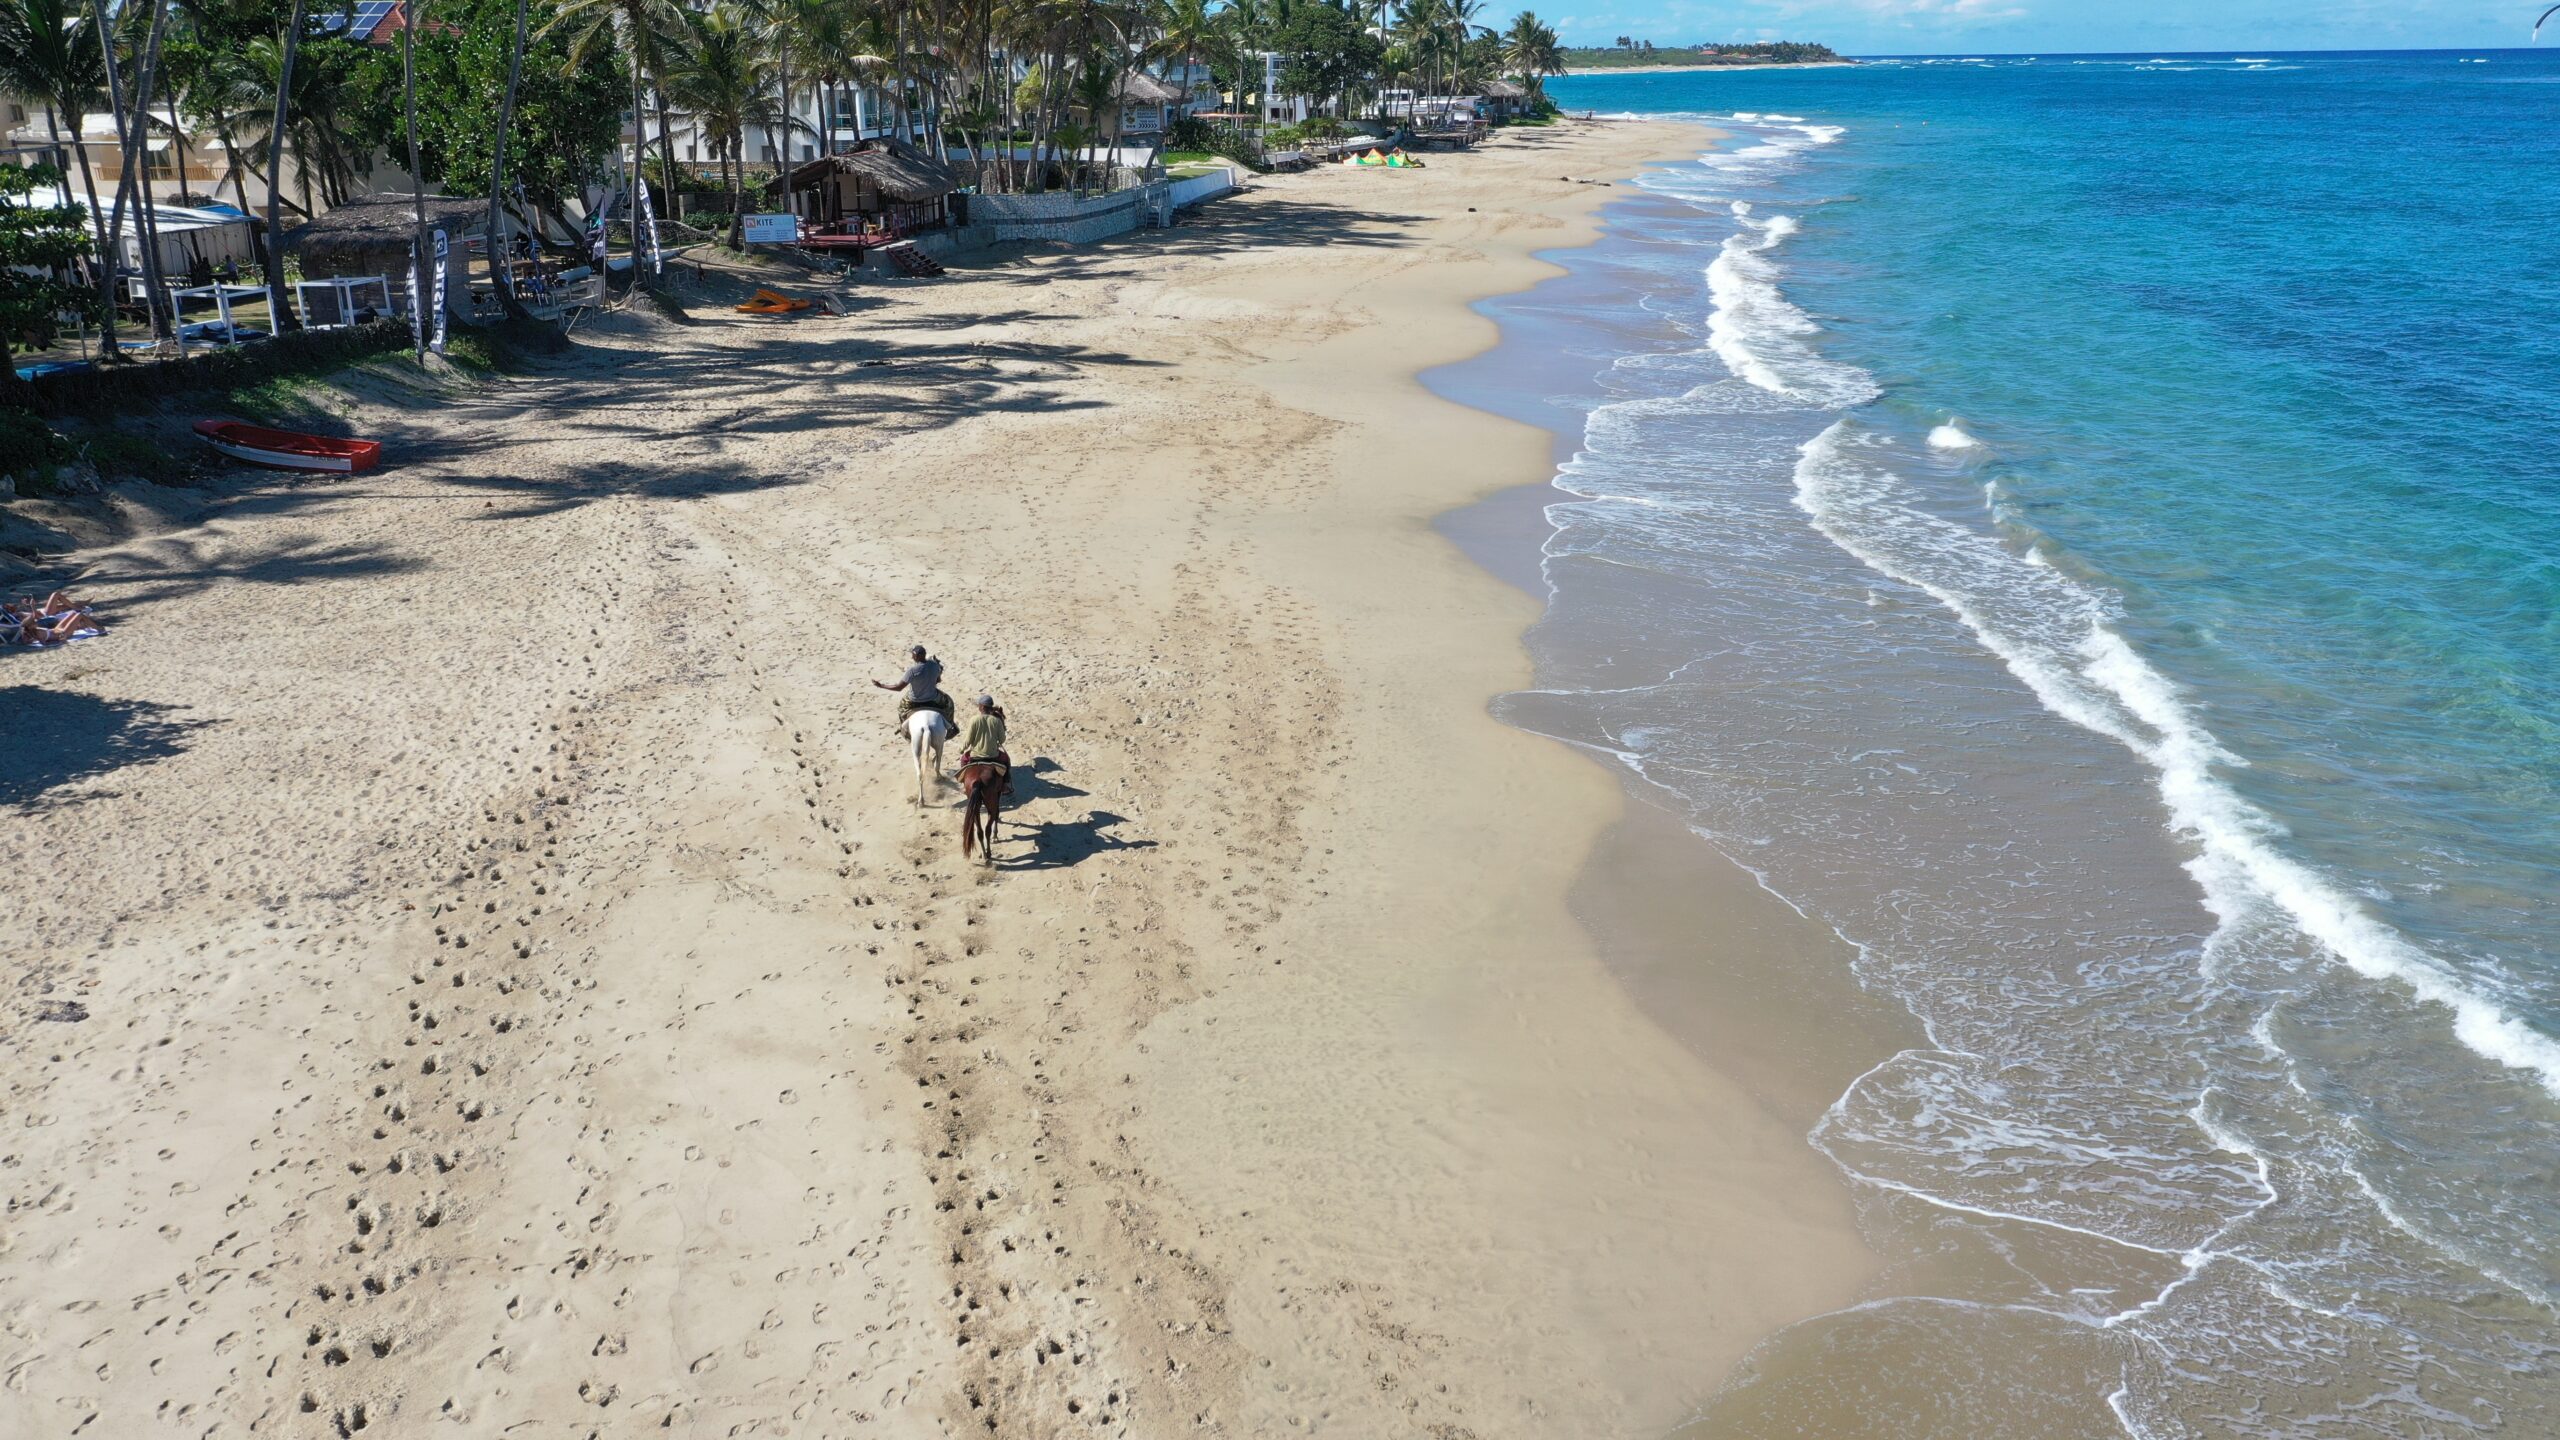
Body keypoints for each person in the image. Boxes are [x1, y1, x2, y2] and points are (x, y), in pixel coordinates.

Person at [873, 646, 952, 731]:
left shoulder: (912, 670)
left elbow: (899, 688)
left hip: (914, 700)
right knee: (949, 703)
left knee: (901, 708)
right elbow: (938, 680)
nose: (912, 657)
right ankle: (951, 726)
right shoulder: (935, 665)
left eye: (913, 655)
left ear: (918, 656)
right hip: (933, 698)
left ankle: (903, 728)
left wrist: (881, 685)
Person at [955, 694, 1009, 791]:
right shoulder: (997, 721)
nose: (978, 707)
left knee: (963, 759)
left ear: (982, 707)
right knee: (1006, 760)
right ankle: (1005, 784)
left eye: (979, 705)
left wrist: (961, 749)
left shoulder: (974, 720)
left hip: (975, 755)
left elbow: (968, 740)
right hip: (993, 755)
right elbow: (1002, 740)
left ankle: (964, 784)